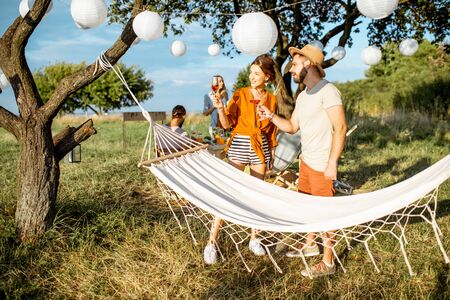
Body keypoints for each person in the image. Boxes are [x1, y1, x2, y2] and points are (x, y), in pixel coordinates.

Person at [258, 44, 347, 278]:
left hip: (321, 163)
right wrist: (271, 116)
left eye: (295, 65)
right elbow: (292, 126)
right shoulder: (303, 96)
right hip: (306, 162)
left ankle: (328, 262)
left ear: (308, 63)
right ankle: (310, 245)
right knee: (307, 205)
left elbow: (340, 128)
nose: (291, 70)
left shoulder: (328, 91)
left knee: (325, 213)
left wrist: (332, 162)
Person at [202, 54, 278, 265]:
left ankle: (254, 238)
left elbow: (272, 132)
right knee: (228, 193)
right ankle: (211, 242)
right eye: (251, 72)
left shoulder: (272, 99)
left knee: (257, 194)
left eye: (257, 73)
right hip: (239, 144)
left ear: (267, 77)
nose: (252, 77)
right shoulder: (240, 94)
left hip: (260, 146)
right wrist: (219, 107)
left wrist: (270, 155)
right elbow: (226, 125)